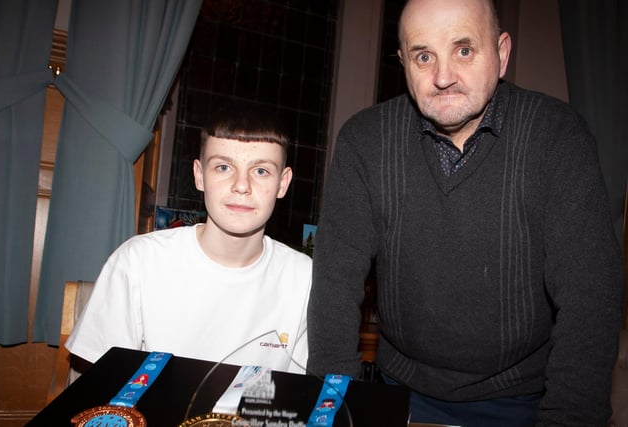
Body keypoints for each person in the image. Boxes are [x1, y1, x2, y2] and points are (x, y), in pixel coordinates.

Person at [306, 0, 625, 425]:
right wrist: (332, 411)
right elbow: (334, 285)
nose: (442, 77)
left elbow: (590, 297)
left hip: (523, 401)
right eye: (423, 56)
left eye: (464, 50)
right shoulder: (364, 142)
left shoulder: (557, 137)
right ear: (403, 63)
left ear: (502, 53)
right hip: (396, 391)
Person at [66, 105, 312, 374]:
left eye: (261, 171)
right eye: (223, 167)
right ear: (199, 175)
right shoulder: (138, 261)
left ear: (283, 183)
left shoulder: (304, 278)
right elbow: (103, 384)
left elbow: (303, 394)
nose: (242, 185)